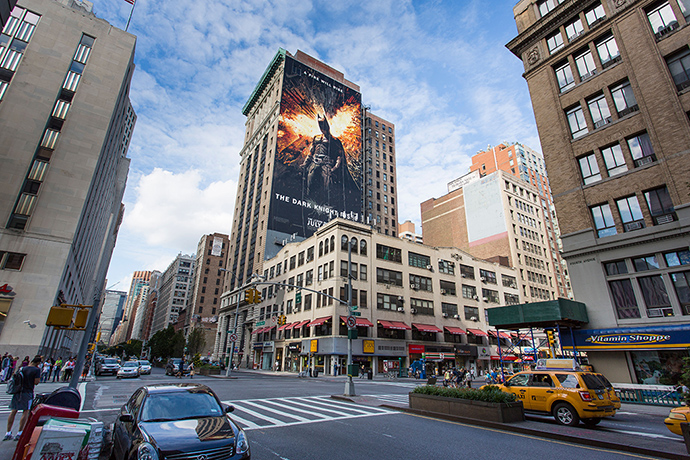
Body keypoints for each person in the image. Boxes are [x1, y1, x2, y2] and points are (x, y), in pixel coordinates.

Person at [301, 114, 348, 207]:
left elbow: (339, 156)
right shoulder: (316, 137)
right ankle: (308, 201)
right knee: (310, 179)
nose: (322, 128)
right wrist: (305, 164)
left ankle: (326, 204)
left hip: (326, 163)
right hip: (315, 161)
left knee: (327, 183)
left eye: (323, 125)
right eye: (320, 125)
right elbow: (311, 152)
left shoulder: (334, 140)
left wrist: (334, 168)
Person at [5, 355, 41, 441]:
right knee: (26, 411)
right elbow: (36, 382)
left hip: (18, 391)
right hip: (27, 392)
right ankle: (19, 432)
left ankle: (8, 432)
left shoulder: (23, 368)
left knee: (13, 411)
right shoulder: (36, 370)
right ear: (38, 363)